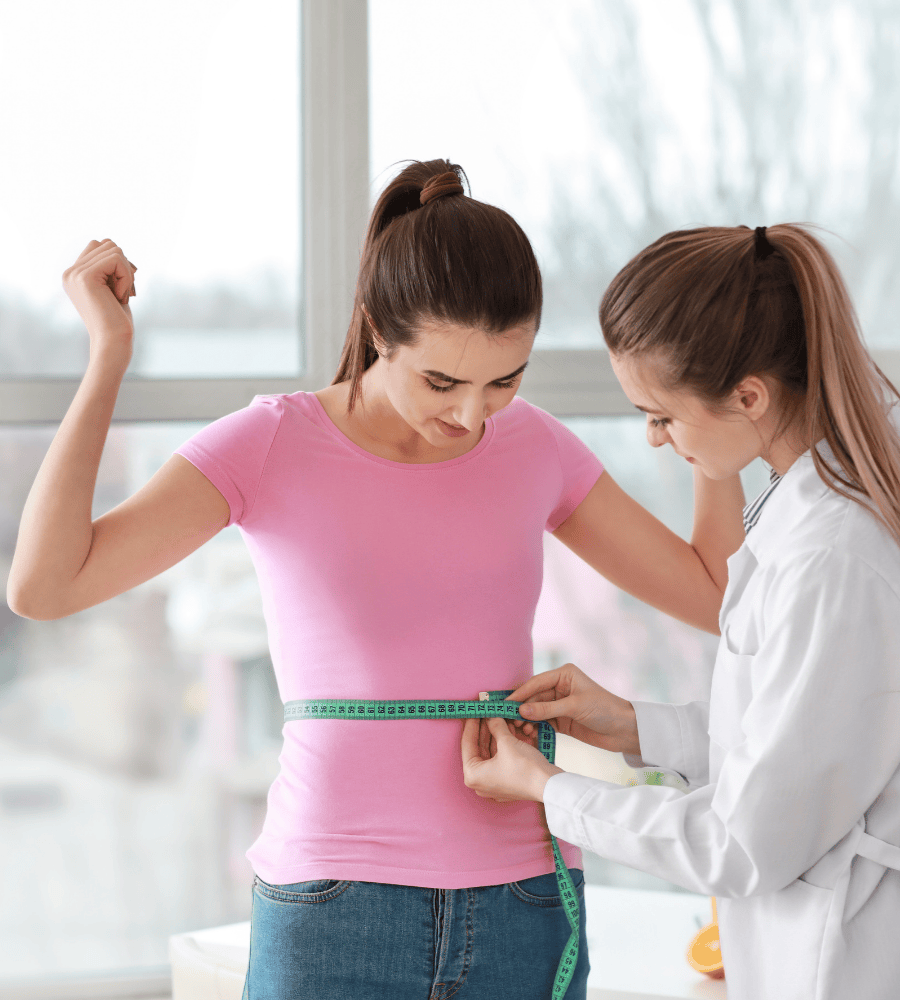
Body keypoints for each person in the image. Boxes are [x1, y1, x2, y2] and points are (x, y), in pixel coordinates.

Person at [6, 161, 746, 999]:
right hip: (334, 907)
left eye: (503, 381)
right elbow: (47, 585)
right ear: (377, 329)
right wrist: (108, 358)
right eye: (442, 381)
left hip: (524, 901)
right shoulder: (272, 444)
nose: (470, 415)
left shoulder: (535, 447)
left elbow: (715, 594)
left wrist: (706, 406)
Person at [462, 223, 900, 999]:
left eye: (662, 415)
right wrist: (636, 727)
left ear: (749, 396)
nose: (655, 439)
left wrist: (552, 791)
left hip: (863, 965)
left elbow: (747, 841)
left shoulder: (835, 557)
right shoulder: (845, 500)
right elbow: (811, 746)